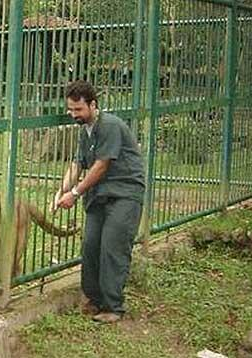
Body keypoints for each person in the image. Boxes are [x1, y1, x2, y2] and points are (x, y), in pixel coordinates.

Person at [51, 80, 145, 323]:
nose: (73, 115)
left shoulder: (110, 125)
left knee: (112, 247)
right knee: (91, 245)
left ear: (93, 105)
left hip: (124, 193)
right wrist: (61, 190)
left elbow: (101, 165)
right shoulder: (86, 131)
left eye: (78, 110)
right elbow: (77, 164)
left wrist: (75, 193)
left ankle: (113, 307)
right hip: (100, 195)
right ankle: (93, 300)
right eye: (70, 110)